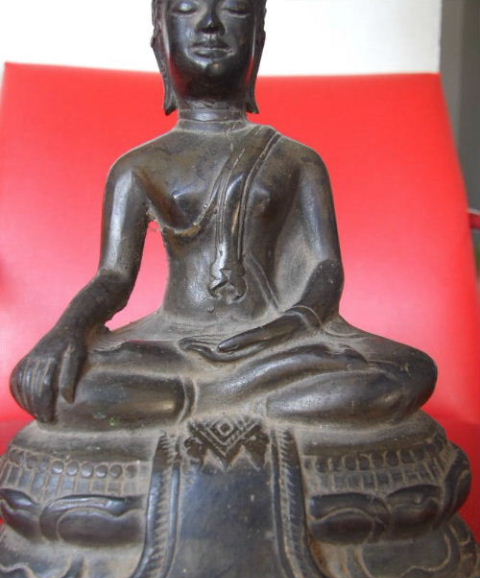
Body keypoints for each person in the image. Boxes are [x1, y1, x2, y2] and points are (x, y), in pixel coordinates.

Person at [10, 0, 436, 431]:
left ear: (257, 43)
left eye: (233, 9)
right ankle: (240, 398)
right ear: (161, 43)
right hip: (173, 345)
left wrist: (286, 328)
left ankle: (195, 400)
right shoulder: (137, 167)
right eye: (186, 8)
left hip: (278, 343)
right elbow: (114, 277)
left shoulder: (296, 160)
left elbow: (325, 267)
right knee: (55, 386)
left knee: (408, 370)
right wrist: (65, 331)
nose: (210, 24)